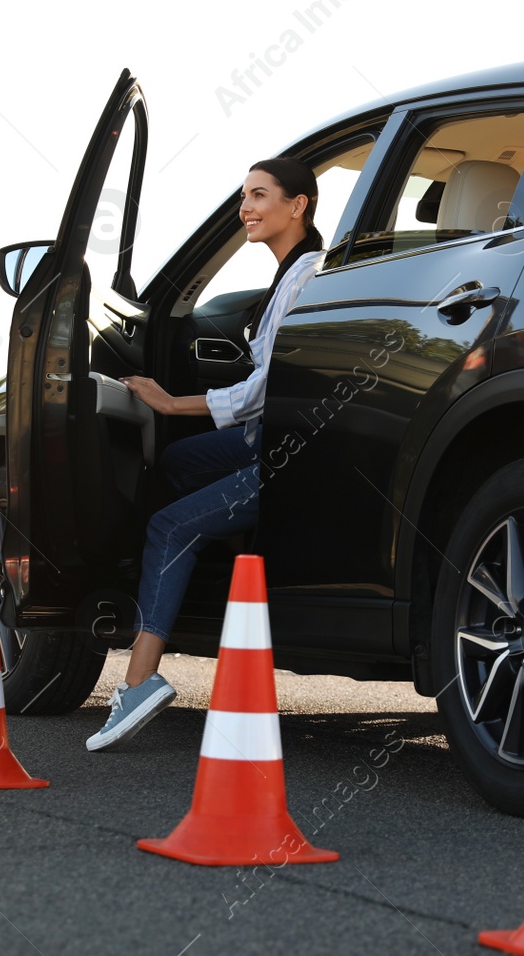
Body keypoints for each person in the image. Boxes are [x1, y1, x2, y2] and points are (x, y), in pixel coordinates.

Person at [86, 157, 323, 750]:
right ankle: (203, 579)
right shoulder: (288, 274)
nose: (247, 207)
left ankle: (139, 680)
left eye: (261, 195)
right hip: (263, 439)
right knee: (177, 464)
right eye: (245, 195)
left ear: (298, 206)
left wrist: (172, 404)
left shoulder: (306, 276)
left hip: (288, 454)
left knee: (170, 526)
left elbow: (266, 388)